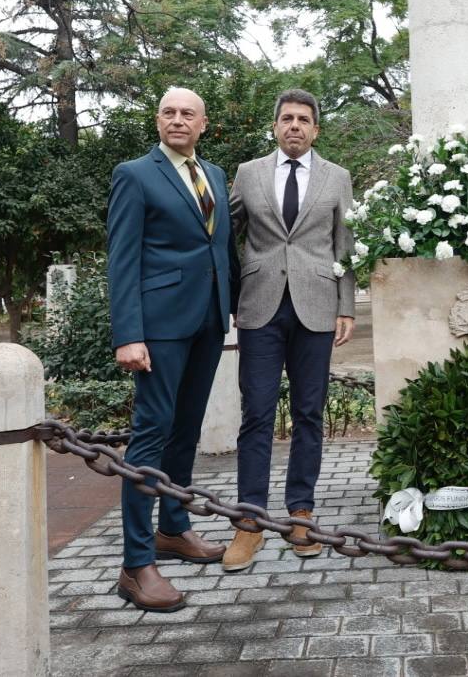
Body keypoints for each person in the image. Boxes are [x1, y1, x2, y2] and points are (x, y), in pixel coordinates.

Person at [107, 86, 240, 611]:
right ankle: (136, 564)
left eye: (187, 113)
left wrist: (232, 307)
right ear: (157, 121)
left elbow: (220, 247)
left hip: (209, 320)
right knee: (150, 437)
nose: (177, 120)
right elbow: (122, 258)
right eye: (168, 112)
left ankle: (173, 529)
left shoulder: (215, 175)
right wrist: (128, 334)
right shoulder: (135, 175)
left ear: (203, 124)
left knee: (185, 432)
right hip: (158, 327)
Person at [223, 88, 355, 571]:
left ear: (315, 129)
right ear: (275, 127)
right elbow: (223, 235)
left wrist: (347, 307)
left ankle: (301, 512)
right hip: (258, 308)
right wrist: (227, 293)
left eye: (303, 119)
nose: (294, 126)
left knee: (309, 414)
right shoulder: (248, 174)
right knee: (256, 413)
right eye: (286, 119)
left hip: (317, 308)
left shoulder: (337, 178)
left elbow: (346, 247)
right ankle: (249, 521)